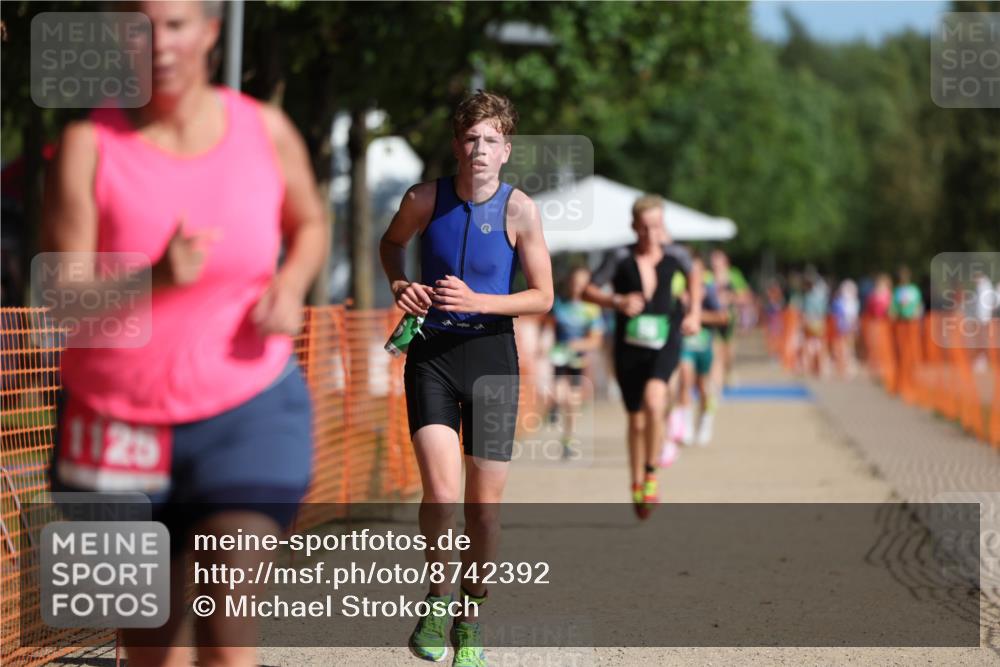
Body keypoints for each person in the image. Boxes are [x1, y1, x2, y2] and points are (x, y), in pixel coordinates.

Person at [41, 2, 328, 665]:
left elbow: (310, 221)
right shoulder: (89, 147)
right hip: (115, 426)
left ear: (209, 31)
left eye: (174, 24)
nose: (158, 43)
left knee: (227, 630)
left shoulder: (266, 130)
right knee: (149, 646)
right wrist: (154, 277)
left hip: (249, 408)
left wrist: (292, 285)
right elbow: (64, 300)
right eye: (139, 26)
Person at [379, 90, 553, 667]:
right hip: (431, 356)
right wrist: (400, 284)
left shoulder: (519, 210)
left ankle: (471, 615)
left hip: (492, 362)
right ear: (457, 145)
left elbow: (544, 296)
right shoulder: (423, 198)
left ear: (506, 150)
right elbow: (391, 244)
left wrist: (481, 301)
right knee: (442, 494)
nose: (479, 149)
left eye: (490, 140)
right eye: (470, 139)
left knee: (483, 510)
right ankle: (434, 599)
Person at [583, 195, 701, 519]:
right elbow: (588, 290)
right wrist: (617, 301)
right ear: (634, 226)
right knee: (635, 421)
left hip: (666, 338)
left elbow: (696, 276)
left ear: (664, 227)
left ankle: (651, 473)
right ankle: (635, 481)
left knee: (655, 401)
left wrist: (694, 313)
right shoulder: (619, 257)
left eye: (657, 226)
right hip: (629, 345)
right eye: (645, 227)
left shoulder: (676, 254)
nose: (651, 234)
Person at [545, 266, 604, 459]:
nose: (577, 287)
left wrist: (578, 344)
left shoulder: (592, 310)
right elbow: (547, 327)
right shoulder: (559, 304)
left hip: (578, 360)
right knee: (560, 394)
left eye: (582, 284)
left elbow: (596, 340)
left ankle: (568, 439)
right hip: (559, 357)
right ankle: (554, 407)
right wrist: (543, 342)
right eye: (574, 283)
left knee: (572, 402)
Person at [676, 259, 730, 447]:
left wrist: (697, 316)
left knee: (702, 387)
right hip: (685, 345)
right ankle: (686, 426)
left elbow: (723, 317)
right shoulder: (678, 290)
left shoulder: (709, 291)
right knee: (684, 381)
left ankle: (705, 420)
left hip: (704, 345)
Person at [708, 249, 749, 388]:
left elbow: (745, 297)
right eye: (713, 260)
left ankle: (729, 370)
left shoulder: (734, 276)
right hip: (713, 319)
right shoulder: (708, 277)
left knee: (728, 351)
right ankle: (715, 381)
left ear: (725, 261)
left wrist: (730, 297)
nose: (715, 263)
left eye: (718, 259)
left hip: (730, 319)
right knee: (715, 351)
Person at [830, 279, 860, 379]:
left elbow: (853, 317)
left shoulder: (853, 302)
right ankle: (841, 367)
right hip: (842, 328)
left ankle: (847, 367)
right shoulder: (840, 302)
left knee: (849, 349)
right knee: (842, 348)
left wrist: (853, 327)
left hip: (848, 328)